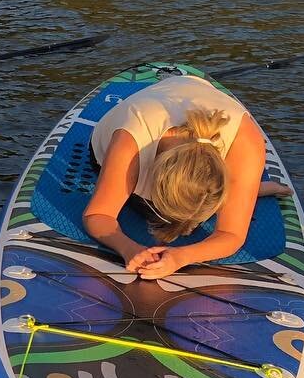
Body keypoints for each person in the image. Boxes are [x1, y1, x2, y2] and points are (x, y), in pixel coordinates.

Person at [83, 74, 286, 281]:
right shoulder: (131, 142)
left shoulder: (247, 140)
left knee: (186, 216)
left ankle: (245, 189)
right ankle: (244, 191)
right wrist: (129, 249)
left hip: (190, 91)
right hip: (124, 131)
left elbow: (232, 235)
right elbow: (98, 215)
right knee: (163, 219)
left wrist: (181, 257)